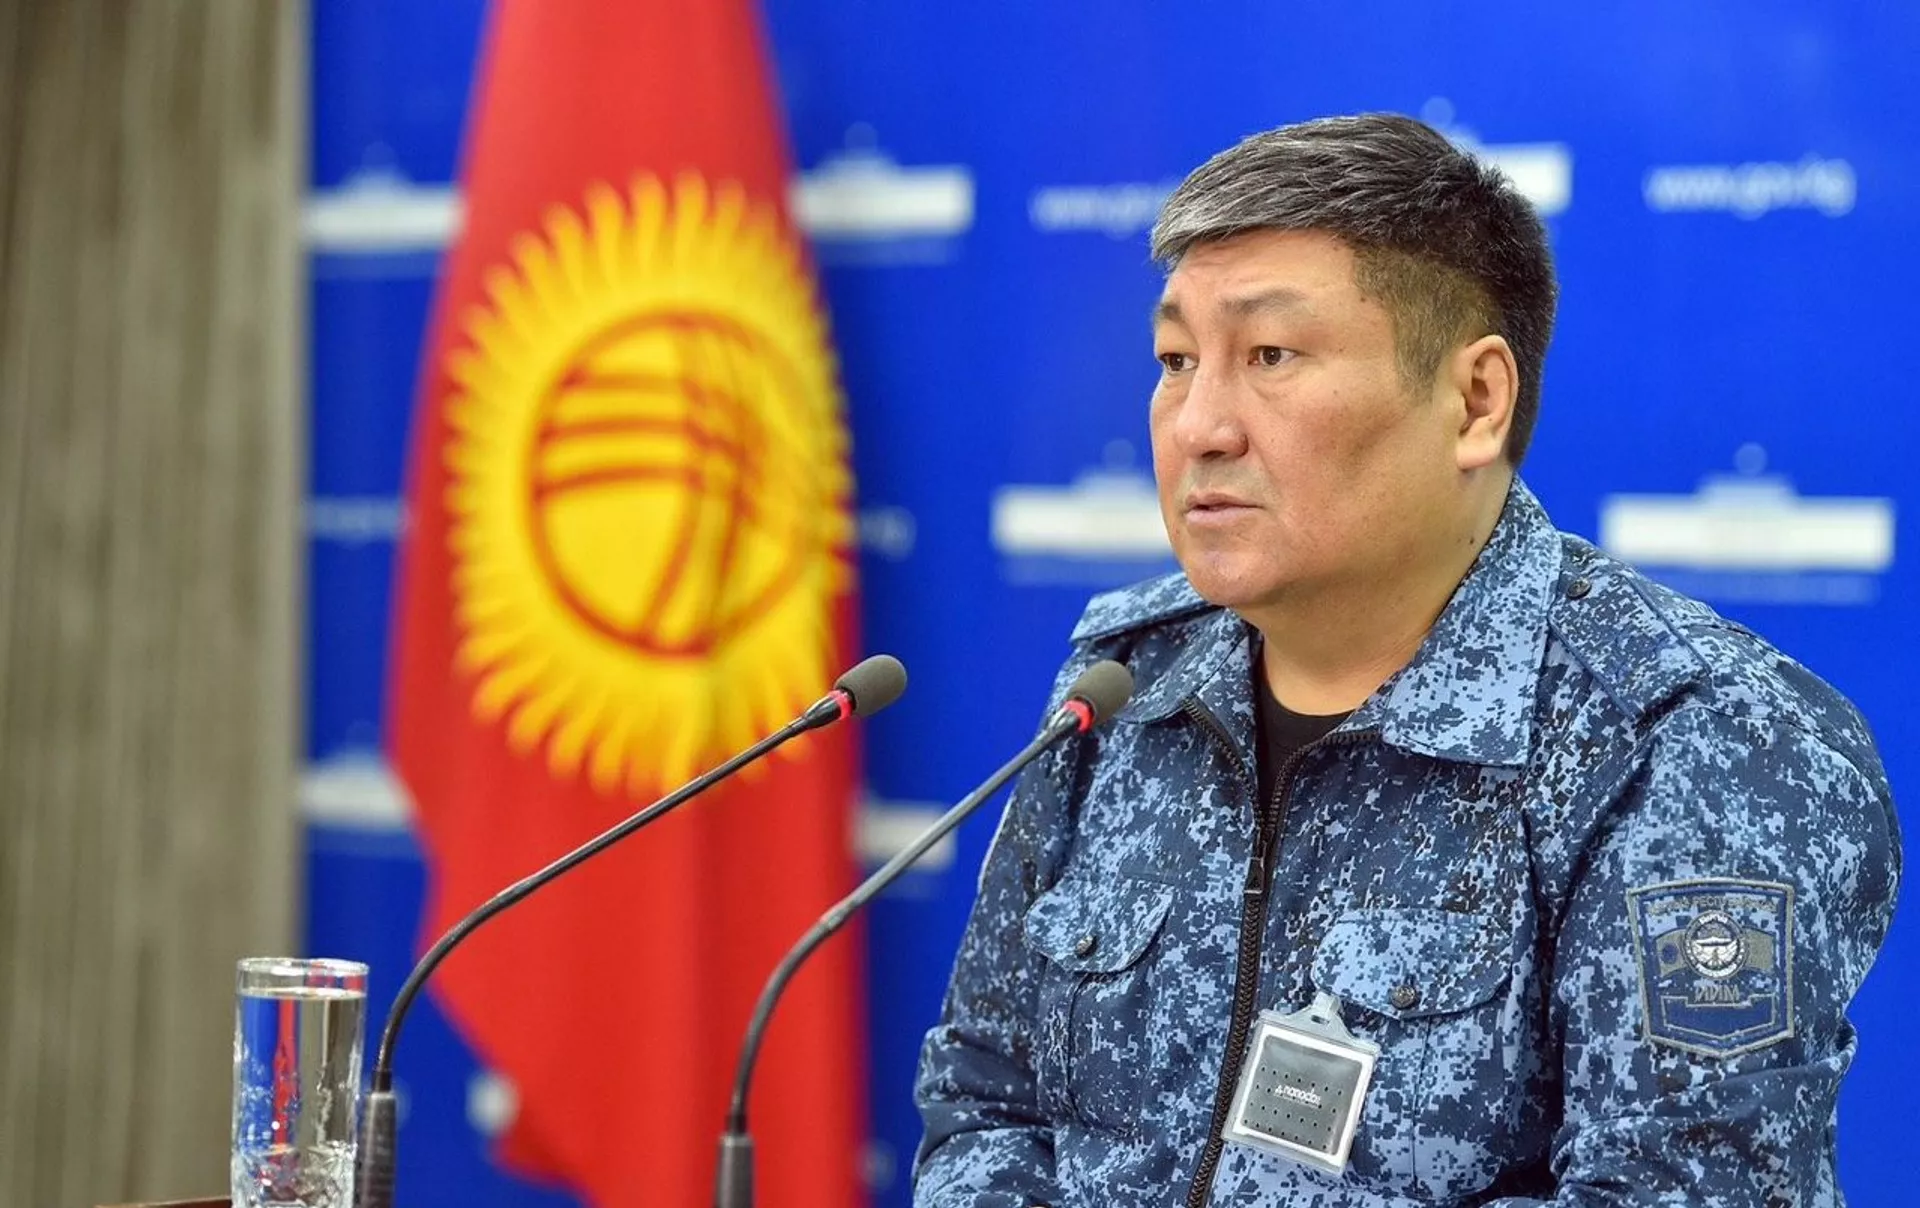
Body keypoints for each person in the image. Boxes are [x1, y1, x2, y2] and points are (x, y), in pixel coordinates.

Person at [912, 113, 1901, 1206]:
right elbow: (983, 1099)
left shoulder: (1686, 744)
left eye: (1271, 356)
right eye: (1176, 360)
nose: (1197, 426)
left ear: (1475, 402)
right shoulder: (1124, 684)